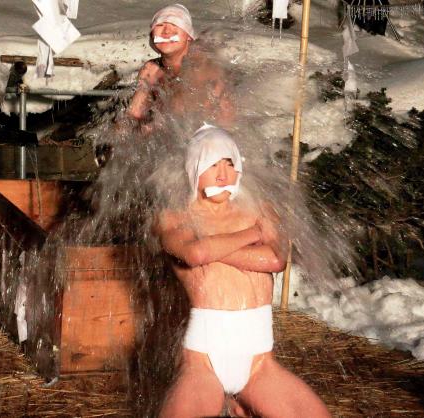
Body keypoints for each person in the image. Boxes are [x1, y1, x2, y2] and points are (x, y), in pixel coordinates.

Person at [154, 125, 331, 418]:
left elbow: (275, 260)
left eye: (229, 164)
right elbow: (195, 254)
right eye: (212, 165)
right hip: (203, 359)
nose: (222, 175)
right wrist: (252, 235)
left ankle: (237, 401)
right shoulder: (175, 217)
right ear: (194, 168)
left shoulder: (259, 209)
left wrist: (213, 247)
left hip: (259, 362)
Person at [122, 4, 234, 134]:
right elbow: (133, 115)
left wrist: (154, 126)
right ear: (152, 36)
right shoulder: (151, 69)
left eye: (175, 24)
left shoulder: (200, 65)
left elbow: (222, 117)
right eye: (160, 25)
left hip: (213, 134)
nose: (166, 31)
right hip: (178, 134)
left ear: (189, 36)